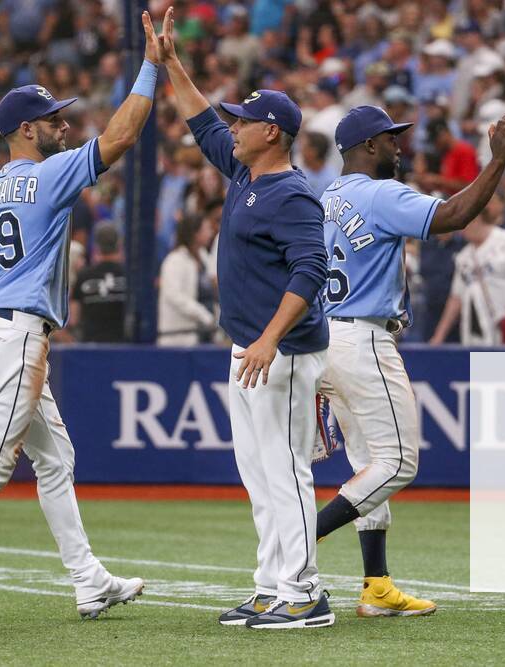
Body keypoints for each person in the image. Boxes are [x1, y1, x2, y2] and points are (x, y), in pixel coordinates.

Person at [0, 9, 164, 624]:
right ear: (26, 130)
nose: (64, 124)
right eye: (53, 118)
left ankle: (88, 581)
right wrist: (151, 67)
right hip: (19, 335)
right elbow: (123, 135)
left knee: (55, 459)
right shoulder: (49, 176)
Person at [158, 10, 333, 629]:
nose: (233, 126)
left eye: (246, 121)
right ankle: (271, 584)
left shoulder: (292, 194)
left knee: (285, 468)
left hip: (280, 350)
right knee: (259, 473)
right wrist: (171, 61)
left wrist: (267, 339)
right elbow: (203, 121)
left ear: (273, 134)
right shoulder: (245, 170)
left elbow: (310, 274)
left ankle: (306, 592)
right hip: (252, 346)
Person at [316, 105, 505, 615]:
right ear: (366, 147)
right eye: (389, 139)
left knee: (368, 466)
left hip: (326, 337)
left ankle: (376, 586)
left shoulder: (327, 195)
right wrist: (495, 163)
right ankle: (295, 542)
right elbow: (452, 216)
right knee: (398, 462)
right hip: (363, 337)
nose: (398, 146)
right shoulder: (380, 192)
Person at [430, 202, 505, 347]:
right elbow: (456, 298)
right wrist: (438, 336)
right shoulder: (464, 256)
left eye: (462, 224)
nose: (460, 231)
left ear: (476, 219)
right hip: (479, 337)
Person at [156, 213, 218, 346]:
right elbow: (174, 296)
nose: (211, 233)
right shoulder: (175, 260)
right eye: (207, 229)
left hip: (204, 334)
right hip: (178, 339)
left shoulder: (204, 257)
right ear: (195, 234)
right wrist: (204, 315)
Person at [69, 223, 126, 343]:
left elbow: (73, 318)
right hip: (122, 347)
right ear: (119, 245)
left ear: (96, 247)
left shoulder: (83, 276)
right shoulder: (128, 276)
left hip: (91, 347)